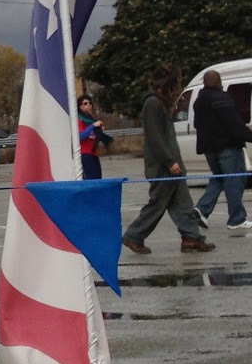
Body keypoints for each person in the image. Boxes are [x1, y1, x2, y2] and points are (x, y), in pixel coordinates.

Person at [122, 64, 214, 254]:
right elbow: (155, 138)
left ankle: (191, 238)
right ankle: (134, 235)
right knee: (157, 204)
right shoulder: (153, 103)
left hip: (173, 164)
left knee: (183, 202)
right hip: (162, 166)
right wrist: (169, 161)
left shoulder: (162, 103)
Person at [191, 69, 252, 231]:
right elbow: (234, 124)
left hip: (209, 149)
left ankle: (201, 210)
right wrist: (248, 136)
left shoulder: (199, 100)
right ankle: (236, 219)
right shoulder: (222, 98)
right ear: (219, 82)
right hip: (228, 147)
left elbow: (198, 125)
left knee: (218, 179)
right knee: (234, 180)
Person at [77, 94, 112, 179]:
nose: (88, 105)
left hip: (93, 153)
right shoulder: (79, 119)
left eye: (90, 103)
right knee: (90, 179)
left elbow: (93, 137)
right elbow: (79, 136)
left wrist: (99, 131)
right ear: (80, 106)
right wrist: (93, 126)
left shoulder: (91, 119)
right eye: (85, 103)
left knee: (97, 178)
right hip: (84, 154)